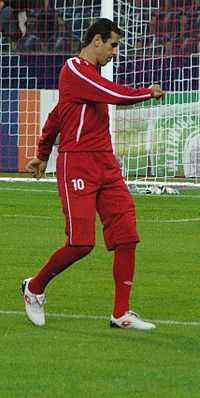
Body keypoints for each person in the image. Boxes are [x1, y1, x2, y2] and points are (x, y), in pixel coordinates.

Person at [22, 18, 164, 330]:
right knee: (81, 243)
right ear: (96, 41)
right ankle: (34, 288)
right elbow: (113, 93)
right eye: (113, 44)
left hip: (106, 164)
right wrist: (146, 92)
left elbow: (56, 115)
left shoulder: (90, 77)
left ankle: (121, 313)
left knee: (126, 234)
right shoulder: (74, 69)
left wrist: (42, 153)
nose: (115, 51)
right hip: (78, 164)